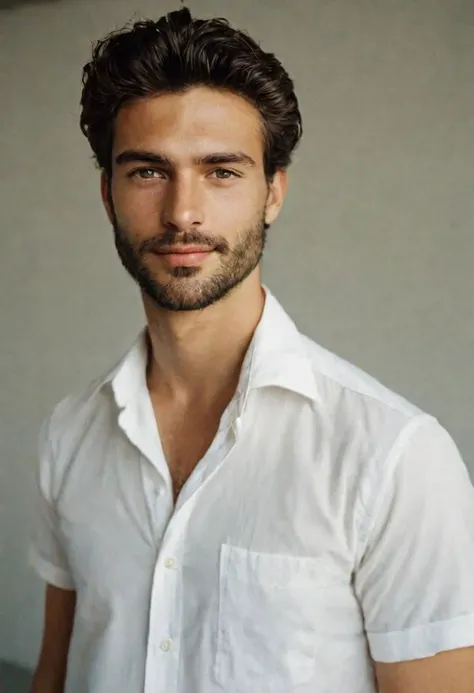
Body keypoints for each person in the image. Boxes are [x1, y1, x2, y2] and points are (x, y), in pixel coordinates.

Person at [30, 7, 474, 693]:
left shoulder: (396, 458)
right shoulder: (70, 433)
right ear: (108, 194)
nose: (183, 211)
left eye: (221, 172)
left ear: (273, 192)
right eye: (148, 171)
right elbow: (55, 673)